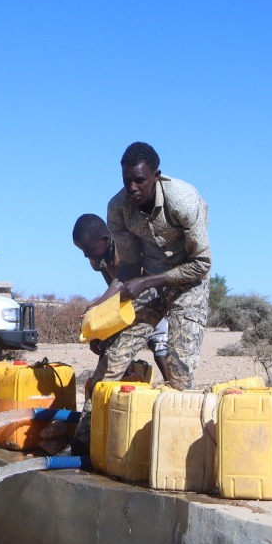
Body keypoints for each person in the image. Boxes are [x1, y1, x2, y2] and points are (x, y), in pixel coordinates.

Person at [93, 142, 211, 391]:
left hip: (189, 281)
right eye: (127, 181)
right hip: (153, 280)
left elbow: (201, 264)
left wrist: (146, 281)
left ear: (156, 177)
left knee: (179, 369)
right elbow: (129, 266)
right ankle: (90, 428)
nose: (132, 188)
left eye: (139, 181)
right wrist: (101, 305)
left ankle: (177, 423)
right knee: (113, 358)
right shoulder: (118, 208)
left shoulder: (183, 200)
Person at [72, 212, 172, 386]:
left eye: (88, 249)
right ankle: (113, 387)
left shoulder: (124, 246)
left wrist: (97, 306)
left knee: (159, 345)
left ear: (105, 240)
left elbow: (122, 281)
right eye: (82, 250)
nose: (86, 255)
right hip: (125, 300)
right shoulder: (97, 258)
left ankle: (175, 389)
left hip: (152, 297)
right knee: (108, 344)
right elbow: (111, 286)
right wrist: (99, 327)